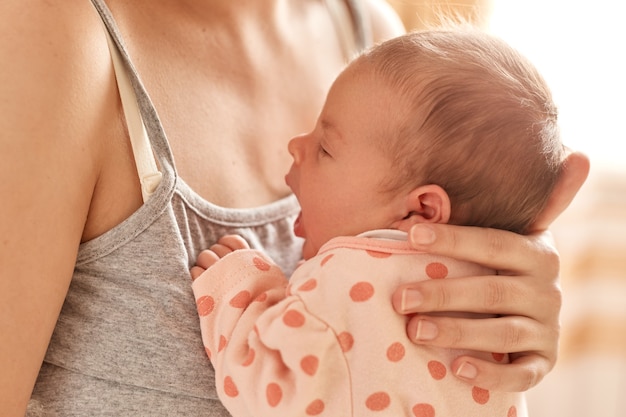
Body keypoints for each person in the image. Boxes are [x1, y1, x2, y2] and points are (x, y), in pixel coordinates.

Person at [0, 0, 589, 416]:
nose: (297, 151)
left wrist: (503, 289)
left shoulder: (370, 31)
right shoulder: (48, 38)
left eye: (326, 147)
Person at [189, 27, 575, 417]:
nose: (296, 145)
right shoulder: (493, 297)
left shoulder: (349, 277)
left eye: (325, 148)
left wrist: (244, 289)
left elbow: (273, 392)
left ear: (421, 211)